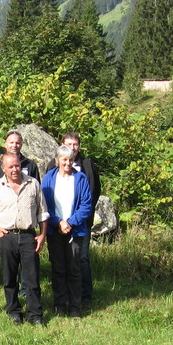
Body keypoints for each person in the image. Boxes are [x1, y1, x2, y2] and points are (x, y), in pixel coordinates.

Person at [0, 152, 48, 326]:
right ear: (3, 168)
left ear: (21, 165)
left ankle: (35, 314)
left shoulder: (33, 184)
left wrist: (42, 235)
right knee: (9, 277)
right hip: (7, 237)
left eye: (17, 165)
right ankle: (14, 311)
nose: (14, 169)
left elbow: (42, 212)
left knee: (32, 278)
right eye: (10, 167)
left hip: (28, 236)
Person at [44, 131, 102, 311]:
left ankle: (76, 305)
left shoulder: (81, 177)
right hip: (56, 229)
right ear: (57, 161)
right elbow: (45, 204)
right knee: (59, 268)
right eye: (64, 159)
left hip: (76, 230)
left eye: (70, 160)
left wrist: (71, 222)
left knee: (75, 268)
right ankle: (60, 304)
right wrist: (59, 222)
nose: (67, 163)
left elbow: (87, 203)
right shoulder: (48, 178)